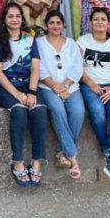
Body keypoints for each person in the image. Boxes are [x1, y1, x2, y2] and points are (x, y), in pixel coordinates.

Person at [0, 3, 48, 188]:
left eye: (18, 16)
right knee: (19, 111)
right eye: (10, 16)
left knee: (39, 111)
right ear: (5, 20)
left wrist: (31, 92)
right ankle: (17, 161)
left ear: (22, 19)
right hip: (7, 88)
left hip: (27, 85)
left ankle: (37, 161)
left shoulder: (30, 39)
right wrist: (17, 95)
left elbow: (35, 67)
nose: (15, 19)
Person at [77, 8, 110, 186]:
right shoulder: (83, 41)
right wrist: (92, 85)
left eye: (103, 19)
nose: (99, 22)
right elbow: (77, 68)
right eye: (96, 19)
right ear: (90, 23)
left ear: (108, 23)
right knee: (97, 112)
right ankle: (105, 146)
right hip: (89, 86)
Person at [36, 11, 85, 179]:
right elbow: (39, 68)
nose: (56, 26)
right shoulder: (39, 43)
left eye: (59, 23)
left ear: (63, 25)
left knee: (78, 111)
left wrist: (65, 86)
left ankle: (61, 152)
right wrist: (55, 87)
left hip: (70, 86)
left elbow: (78, 67)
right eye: (52, 23)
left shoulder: (71, 43)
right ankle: (73, 158)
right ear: (46, 25)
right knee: (57, 109)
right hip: (47, 87)